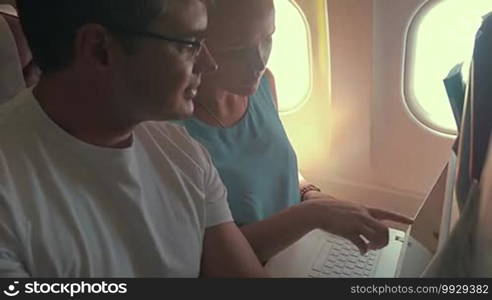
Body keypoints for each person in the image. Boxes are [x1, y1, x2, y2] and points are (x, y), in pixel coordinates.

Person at [0, 0, 266, 277]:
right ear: (99, 49)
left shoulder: (183, 153)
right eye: (189, 44)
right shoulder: (10, 192)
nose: (208, 63)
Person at [180, 0, 414, 262]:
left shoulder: (264, 86)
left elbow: (275, 166)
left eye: (267, 38)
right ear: (197, 49)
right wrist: (314, 215)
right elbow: (214, 259)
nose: (258, 61)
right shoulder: (171, 131)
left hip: (298, 246)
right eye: (236, 50)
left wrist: (312, 195)